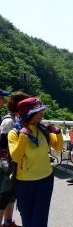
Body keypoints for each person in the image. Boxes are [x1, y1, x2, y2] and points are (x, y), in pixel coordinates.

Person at [8, 97, 64, 227]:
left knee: (39, 221)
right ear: (30, 114)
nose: (42, 113)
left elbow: (58, 147)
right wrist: (23, 136)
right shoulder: (14, 133)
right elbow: (16, 157)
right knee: (27, 220)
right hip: (24, 183)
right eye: (40, 111)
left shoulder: (42, 129)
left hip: (45, 180)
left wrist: (59, 133)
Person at [0, 90, 26, 227]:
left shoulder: (16, 120)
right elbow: (3, 146)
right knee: (3, 198)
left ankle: (8, 223)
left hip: (13, 165)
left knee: (10, 196)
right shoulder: (8, 121)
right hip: (5, 166)